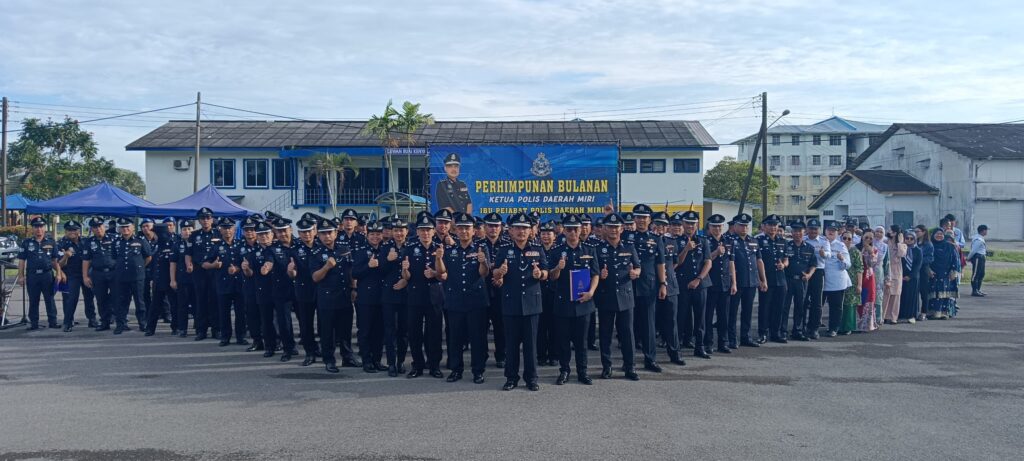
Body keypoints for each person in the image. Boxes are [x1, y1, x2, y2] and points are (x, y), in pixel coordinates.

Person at [492, 211, 548, 391]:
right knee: (511, 345)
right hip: (511, 303)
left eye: (524, 228)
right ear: (511, 231)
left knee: (531, 345)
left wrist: (540, 274)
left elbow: (546, 271)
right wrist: (500, 272)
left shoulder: (537, 249)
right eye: (517, 228)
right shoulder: (504, 250)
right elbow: (495, 274)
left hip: (532, 304)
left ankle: (531, 378)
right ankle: (511, 378)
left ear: (530, 230)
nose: (521, 231)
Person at [436, 212, 490, 384]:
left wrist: (483, 261)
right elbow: (441, 272)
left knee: (477, 338)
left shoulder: (481, 249)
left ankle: (478, 371)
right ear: (456, 230)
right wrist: (438, 258)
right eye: (460, 228)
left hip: (476, 301)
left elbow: (484, 273)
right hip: (455, 300)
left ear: (473, 231)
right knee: (455, 338)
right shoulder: (450, 250)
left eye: (467, 228)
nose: (464, 231)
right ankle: (456, 370)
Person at [547, 214, 600, 385]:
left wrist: (591, 292)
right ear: (564, 231)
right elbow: (552, 277)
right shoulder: (556, 251)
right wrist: (558, 267)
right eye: (569, 229)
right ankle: (564, 371)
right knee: (563, 341)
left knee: (581, 341)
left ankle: (582, 371)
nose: (572, 232)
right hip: (563, 303)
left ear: (580, 230)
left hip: (584, 302)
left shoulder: (590, 250)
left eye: (575, 229)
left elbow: (595, 274)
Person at [593, 213, 640, 381]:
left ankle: (630, 366)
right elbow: (593, 272)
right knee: (605, 335)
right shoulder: (597, 248)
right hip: (606, 296)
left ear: (621, 229)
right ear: (604, 229)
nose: (613, 230)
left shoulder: (629, 247)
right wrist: (600, 274)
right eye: (610, 227)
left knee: (627, 334)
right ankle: (607, 367)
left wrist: (635, 273)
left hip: (626, 297)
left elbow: (638, 267)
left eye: (616, 227)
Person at [401, 212, 446, 379]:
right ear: (417, 232)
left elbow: (444, 274)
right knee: (414, 333)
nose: (425, 233)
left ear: (433, 231)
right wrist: (405, 269)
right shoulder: (410, 248)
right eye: (422, 230)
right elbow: (406, 277)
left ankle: (434, 366)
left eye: (428, 230)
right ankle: (417, 365)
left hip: (435, 296)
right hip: (415, 295)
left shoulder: (440, 248)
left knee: (434, 333)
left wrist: (435, 272)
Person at [309, 218, 354, 373]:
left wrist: (354, 289)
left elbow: (350, 270)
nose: (327, 236)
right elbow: (315, 277)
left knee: (346, 330)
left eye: (329, 232)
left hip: (344, 295)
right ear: (318, 235)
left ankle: (347, 357)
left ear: (336, 233)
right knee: (327, 332)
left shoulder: (344, 248)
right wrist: (326, 267)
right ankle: (329, 360)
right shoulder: (316, 253)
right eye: (323, 233)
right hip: (327, 298)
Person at [627, 204, 668, 372]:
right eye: (638, 217)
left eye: (644, 217)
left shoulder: (656, 239)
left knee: (649, 326)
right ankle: (628, 362)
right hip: (628, 286)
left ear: (650, 220)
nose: (641, 220)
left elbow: (660, 264)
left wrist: (663, 284)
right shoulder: (625, 236)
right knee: (628, 326)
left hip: (648, 286)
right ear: (634, 219)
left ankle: (650, 359)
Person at [351, 221, 388, 373]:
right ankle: (366, 361)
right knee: (365, 330)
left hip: (382, 297)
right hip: (366, 297)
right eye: (372, 234)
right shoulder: (360, 251)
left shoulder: (385, 250)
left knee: (379, 331)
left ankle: (377, 360)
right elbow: (354, 273)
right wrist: (368, 266)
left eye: (378, 234)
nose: (375, 237)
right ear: (367, 235)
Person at [206, 218, 247, 345]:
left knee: (241, 312)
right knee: (224, 312)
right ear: (220, 230)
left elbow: (247, 262)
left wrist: (238, 268)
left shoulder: (241, 244)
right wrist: (213, 265)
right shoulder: (216, 246)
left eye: (229, 228)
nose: (227, 230)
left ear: (234, 229)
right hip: (223, 284)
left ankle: (241, 336)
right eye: (224, 228)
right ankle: (225, 337)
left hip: (240, 283)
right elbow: (204, 263)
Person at [17, 217, 62, 330]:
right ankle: (34, 323)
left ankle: (53, 322)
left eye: (41, 226)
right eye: (36, 227)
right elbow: (21, 261)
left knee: (49, 299)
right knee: (33, 300)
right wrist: (21, 276)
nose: (39, 229)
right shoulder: (26, 243)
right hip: (32, 276)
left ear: (44, 228)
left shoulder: (51, 242)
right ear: (32, 228)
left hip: (47, 275)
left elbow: (55, 261)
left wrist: (59, 274)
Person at [380, 217, 410, 377]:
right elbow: (380, 271)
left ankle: (401, 361)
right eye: (396, 230)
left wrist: (406, 280)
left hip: (406, 294)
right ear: (392, 232)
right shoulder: (385, 248)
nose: (399, 233)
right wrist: (387, 260)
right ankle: (391, 363)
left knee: (404, 331)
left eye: (401, 230)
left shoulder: (411, 247)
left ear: (407, 231)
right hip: (389, 294)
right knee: (390, 330)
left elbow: (417, 269)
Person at [112, 218, 153, 334]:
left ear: (133, 228)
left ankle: (143, 323)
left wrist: (139, 267)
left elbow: (148, 257)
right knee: (122, 301)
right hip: (121, 276)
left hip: (137, 276)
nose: (125, 229)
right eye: (123, 227)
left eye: (127, 226)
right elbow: (114, 257)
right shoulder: (116, 242)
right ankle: (121, 324)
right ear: (120, 229)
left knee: (140, 301)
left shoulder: (140, 240)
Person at [289, 217, 320, 366]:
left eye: (309, 231)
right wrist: (291, 272)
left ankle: (325, 350)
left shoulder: (322, 247)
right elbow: (293, 273)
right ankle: (310, 353)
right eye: (303, 232)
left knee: (325, 324)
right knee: (306, 325)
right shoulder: (294, 250)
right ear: (299, 233)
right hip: (304, 290)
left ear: (314, 231)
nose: (307, 234)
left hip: (322, 290)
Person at [728, 213, 762, 348]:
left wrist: (762, 279)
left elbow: (759, 260)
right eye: (741, 225)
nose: (744, 228)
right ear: (735, 226)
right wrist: (734, 282)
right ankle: (731, 338)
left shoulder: (753, 240)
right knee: (732, 311)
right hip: (737, 282)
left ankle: (745, 336)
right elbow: (730, 262)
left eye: (746, 226)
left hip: (751, 281)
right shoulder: (729, 240)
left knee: (747, 311)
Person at [186, 207, 219, 341]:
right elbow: (188, 253)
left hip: (215, 271)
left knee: (215, 300)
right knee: (200, 301)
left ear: (212, 219)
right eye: (203, 218)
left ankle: (217, 329)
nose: (205, 220)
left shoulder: (218, 233)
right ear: (199, 220)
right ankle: (201, 330)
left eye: (208, 218)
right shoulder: (194, 235)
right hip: (199, 271)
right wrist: (188, 264)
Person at [58, 220, 96, 331]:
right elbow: (59, 264)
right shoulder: (61, 244)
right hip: (71, 275)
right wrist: (65, 256)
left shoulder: (85, 241)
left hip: (86, 274)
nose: (72, 232)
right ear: (65, 231)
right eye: (69, 230)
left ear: (79, 231)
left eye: (74, 230)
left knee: (89, 297)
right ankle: (68, 322)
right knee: (71, 299)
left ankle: (92, 319)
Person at [757, 215, 788, 343]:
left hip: (780, 279)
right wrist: (760, 280)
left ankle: (775, 333)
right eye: (770, 225)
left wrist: (784, 265)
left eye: (775, 225)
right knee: (765, 307)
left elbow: (786, 258)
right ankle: (763, 333)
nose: (773, 227)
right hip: (766, 279)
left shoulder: (782, 241)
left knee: (779, 307)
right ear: (764, 226)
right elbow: (756, 261)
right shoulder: (758, 241)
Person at [783, 221, 816, 341]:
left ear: (804, 232)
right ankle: (783, 331)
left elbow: (813, 264)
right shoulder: (786, 245)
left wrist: (809, 275)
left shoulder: (809, 247)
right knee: (785, 307)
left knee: (800, 307)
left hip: (802, 281)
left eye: (799, 231)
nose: (797, 233)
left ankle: (798, 331)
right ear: (791, 232)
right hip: (788, 280)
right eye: (795, 231)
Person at [82, 217, 117, 331]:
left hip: (113, 272)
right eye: (95, 227)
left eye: (100, 226)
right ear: (92, 229)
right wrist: (85, 276)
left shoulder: (114, 238)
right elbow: (86, 260)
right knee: (101, 299)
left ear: (104, 227)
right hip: (98, 273)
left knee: (116, 296)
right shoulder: (89, 242)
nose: (98, 229)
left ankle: (120, 322)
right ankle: (104, 322)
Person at [802, 218, 830, 339]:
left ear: (819, 229)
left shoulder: (824, 241)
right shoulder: (803, 239)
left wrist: (824, 254)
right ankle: (801, 327)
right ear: (807, 229)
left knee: (816, 302)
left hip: (818, 272)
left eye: (815, 229)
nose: (813, 231)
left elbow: (829, 255)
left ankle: (813, 328)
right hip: (804, 271)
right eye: (811, 228)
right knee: (802, 300)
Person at [823, 223, 852, 336]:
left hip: (837, 280)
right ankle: (813, 327)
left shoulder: (841, 245)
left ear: (837, 233)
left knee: (836, 306)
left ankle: (833, 328)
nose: (831, 232)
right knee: (817, 305)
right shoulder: (820, 242)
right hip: (821, 279)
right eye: (829, 230)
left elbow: (847, 264)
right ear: (825, 231)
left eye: (833, 231)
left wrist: (842, 259)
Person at [169, 220, 196, 338]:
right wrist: (172, 280)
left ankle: (200, 328)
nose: (187, 231)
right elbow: (173, 263)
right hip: (182, 279)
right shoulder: (177, 245)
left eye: (189, 229)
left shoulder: (197, 243)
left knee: (197, 305)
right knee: (182, 305)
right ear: (181, 231)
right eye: (184, 229)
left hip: (196, 280)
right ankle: (182, 328)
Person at [927, 229, 960, 319]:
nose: (939, 235)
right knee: (933, 293)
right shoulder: (930, 245)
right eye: (937, 234)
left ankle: (943, 313)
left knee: (944, 294)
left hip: (946, 273)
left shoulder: (950, 246)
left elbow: (955, 259)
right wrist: (928, 270)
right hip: (933, 273)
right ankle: (932, 312)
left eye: (941, 234)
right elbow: (925, 258)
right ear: (933, 235)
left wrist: (953, 271)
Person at [881, 226, 907, 325]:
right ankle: (883, 316)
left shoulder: (902, 244)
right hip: (885, 269)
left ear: (895, 232)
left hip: (896, 271)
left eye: (891, 230)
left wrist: (900, 242)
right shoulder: (885, 241)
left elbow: (902, 254)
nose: (889, 231)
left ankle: (893, 317)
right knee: (885, 294)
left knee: (896, 295)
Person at [839, 232, 862, 334]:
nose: (847, 241)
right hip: (839, 280)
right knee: (840, 304)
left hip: (852, 281)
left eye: (849, 239)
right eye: (845, 238)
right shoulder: (837, 249)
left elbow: (859, 268)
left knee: (850, 304)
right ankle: (839, 326)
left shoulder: (855, 251)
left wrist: (859, 284)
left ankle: (848, 327)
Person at [899, 230, 923, 323]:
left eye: (911, 238)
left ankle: (912, 315)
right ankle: (901, 314)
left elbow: (918, 265)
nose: (909, 240)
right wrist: (902, 275)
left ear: (915, 240)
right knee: (902, 295)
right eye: (907, 238)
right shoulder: (902, 249)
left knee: (912, 296)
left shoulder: (918, 250)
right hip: (901, 275)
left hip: (913, 277)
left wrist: (910, 276)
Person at [856, 233, 878, 332]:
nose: (868, 239)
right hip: (858, 275)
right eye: (866, 237)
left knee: (868, 298)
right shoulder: (856, 248)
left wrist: (870, 252)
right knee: (859, 298)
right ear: (862, 238)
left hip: (868, 276)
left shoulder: (874, 249)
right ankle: (856, 323)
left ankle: (867, 324)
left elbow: (872, 264)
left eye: (870, 238)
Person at [915, 225, 934, 322]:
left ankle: (924, 312)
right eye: (915, 231)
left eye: (918, 231)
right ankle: (915, 311)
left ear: (923, 232)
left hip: (923, 269)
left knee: (924, 292)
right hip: (914, 269)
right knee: (914, 292)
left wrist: (919, 261)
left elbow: (930, 258)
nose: (916, 233)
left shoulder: (928, 244)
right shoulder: (914, 242)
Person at [967, 224, 988, 297]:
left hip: (981, 257)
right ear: (983, 231)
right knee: (976, 274)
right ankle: (974, 291)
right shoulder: (978, 239)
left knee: (981, 274)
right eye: (986, 230)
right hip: (978, 257)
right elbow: (973, 250)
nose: (987, 232)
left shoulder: (980, 238)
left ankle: (978, 290)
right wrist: (968, 257)